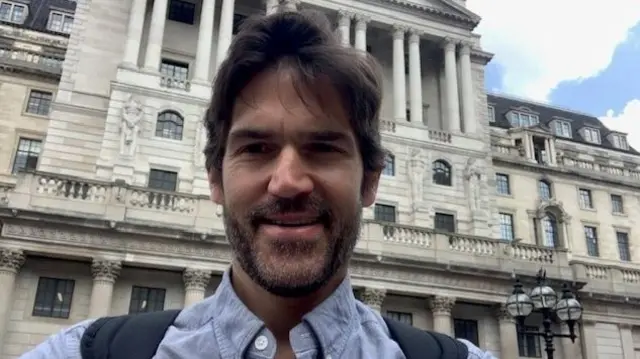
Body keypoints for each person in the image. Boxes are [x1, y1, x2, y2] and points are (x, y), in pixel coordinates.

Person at [20, 10, 497, 359]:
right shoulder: (82, 353)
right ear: (215, 178)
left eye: (323, 148)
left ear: (371, 180)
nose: (288, 182)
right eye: (256, 148)